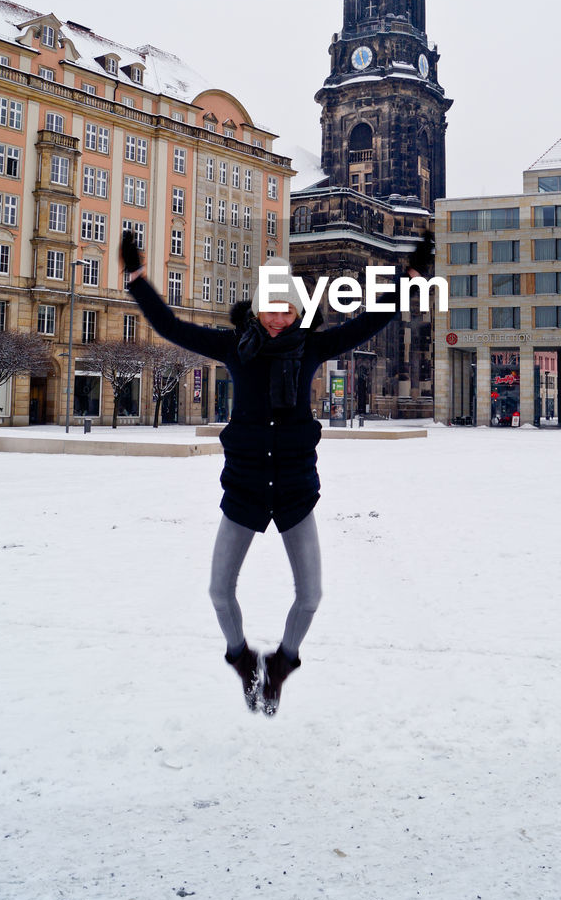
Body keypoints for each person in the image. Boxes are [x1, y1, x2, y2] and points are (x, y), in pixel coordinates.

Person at [121, 231, 434, 716]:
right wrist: (138, 281)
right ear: (257, 307)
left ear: (298, 310)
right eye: (270, 308)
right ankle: (241, 659)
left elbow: (371, 320)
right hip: (244, 489)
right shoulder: (232, 346)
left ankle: (283, 665)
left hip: (294, 491)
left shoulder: (310, 349)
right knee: (218, 592)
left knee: (310, 596)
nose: (278, 317)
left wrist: (407, 279)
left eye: (286, 309)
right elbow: (170, 327)